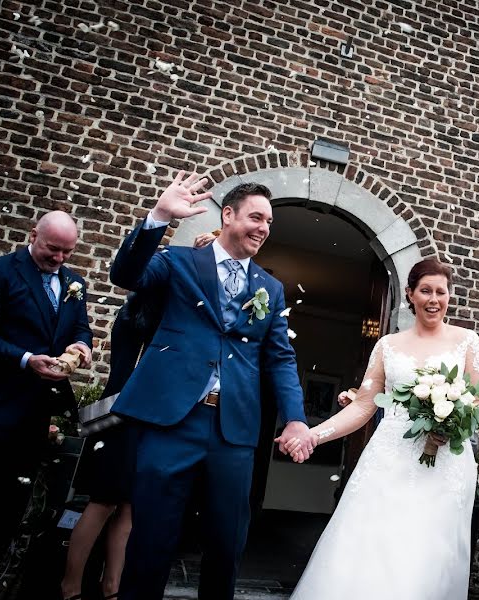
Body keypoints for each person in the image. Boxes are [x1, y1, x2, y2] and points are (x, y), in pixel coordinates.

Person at [109, 174, 313, 600]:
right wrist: (159, 216)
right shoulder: (179, 262)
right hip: (171, 421)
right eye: (256, 217)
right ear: (228, 215)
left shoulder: (269, 290)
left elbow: (280, 358)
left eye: (270, 222)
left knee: (226, 544)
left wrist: (295, 419)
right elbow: (127, 275)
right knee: (152, 539)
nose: (264, 228)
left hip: (233, 430)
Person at [282, 258, 479, 600]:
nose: (434, 299)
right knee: (372, 544)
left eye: (441, 291)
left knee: (426, 553)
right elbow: (365, 405)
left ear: (450, 296)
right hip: (389, 458)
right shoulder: (387, 345)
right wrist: (314, 435)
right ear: (410, 294)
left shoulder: (467, 341)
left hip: (444, 464)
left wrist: (455, 425)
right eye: (425, 291)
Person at [61, 234, 217, 600]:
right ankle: (70, 587)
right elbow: (131, 372)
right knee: (102, 502)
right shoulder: (145, 314)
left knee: (130, 507)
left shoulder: (165, 310)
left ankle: (112, 587)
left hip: (149, 417)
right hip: (124, 413)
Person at [0, 210, 93, 563]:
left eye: (68, 252)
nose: (60, 259)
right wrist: (25, 359)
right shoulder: (2, 271)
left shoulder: (74, 284)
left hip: (37, 412)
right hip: (0, 402)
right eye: (53, 249)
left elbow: (81, 327)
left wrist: (83, 346)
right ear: (33, 235)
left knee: (11, 503)